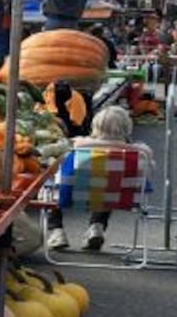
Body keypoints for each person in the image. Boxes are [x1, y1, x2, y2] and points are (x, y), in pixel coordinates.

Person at [45, 105, 151, 252]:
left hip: (71, 196)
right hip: (117, 198)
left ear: (96, 125)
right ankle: (97, 226)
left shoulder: (79, 146)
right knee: (111, 183)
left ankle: (57, 231)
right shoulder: (140, 153)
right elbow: (148, 175)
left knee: (49, 182)